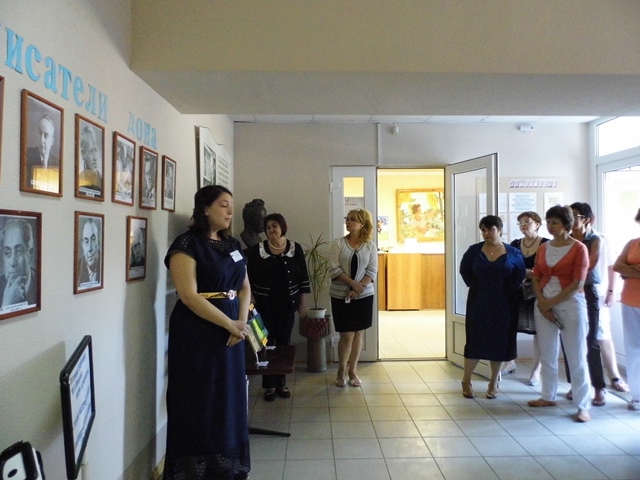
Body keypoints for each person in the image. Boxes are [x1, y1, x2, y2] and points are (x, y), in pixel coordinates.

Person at [163, 185, 251, 479]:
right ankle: (195, 469)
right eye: (224, 205)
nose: (230, 211)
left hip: (233, 330)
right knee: (200, 399)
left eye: (231, 204)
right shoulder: (186, 244)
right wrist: (229, 324)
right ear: (204, 209)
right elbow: (188, 295)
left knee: (228, 397)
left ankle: (225, 465)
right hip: (198, 332)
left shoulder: (232, 245)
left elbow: (245, 288)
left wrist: (241, 322)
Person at [527, 205, 591, 423]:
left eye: (555, 222)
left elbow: (578, 282)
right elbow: (536, 275)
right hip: (544, 304)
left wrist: (550, 304)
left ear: (566, 224)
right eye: (548, 222)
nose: (550, 226)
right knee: (547, 353)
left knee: (576, 356)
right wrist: (542, 303)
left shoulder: (579, 248)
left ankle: (582, 405)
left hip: (571, 305)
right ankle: (548, 395)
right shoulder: (544, 247)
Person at [459, 215, 526, 399]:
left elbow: (519, 274)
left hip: (504, 303)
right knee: (475, 341)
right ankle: (466, 380)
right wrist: (478, 286)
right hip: (479, 301)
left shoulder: (513, 253)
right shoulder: (474, 251)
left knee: (499, 343)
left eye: (490, 229)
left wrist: (506, 289)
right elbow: (465, 270)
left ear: (500, 230)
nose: (486, 233)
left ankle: (493, 381)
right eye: (483, 230)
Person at [246, 213, 310, 401]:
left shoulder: (295, 248)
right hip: (263, 306)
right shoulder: (257, 250)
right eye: (268, 228)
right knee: (265, 345)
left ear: (282, 227)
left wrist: (302, 304)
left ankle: (282, 383)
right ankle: (269, 385)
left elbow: (303, 278)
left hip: (287, 306)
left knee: (283, 345)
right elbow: (247, 275)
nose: (271, 230)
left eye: (274, 226)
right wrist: (249, 297)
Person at [329, 208, 378, 388]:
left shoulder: (370, 246)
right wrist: (353, 285)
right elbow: (334, 269)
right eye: (347, 219)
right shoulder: (338, 243)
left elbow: (372, 271)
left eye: (353, 220)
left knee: (358, 333)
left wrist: (359, 288)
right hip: (340, 295)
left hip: (364, 296)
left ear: (363, 224)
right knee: (346, 335)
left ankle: (353, 371)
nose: (348, 222)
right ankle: (341, 371)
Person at [507, 211, 548, 385]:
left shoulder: (546, 244)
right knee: (510, 327)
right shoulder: (515, 244)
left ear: (537, 224)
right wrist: (522, 272)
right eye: (520, 222)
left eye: (527, 221)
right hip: (517, 292)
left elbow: (549, 268)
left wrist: (534, 273)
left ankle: (536, 370)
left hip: (539, 292)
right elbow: (508, 265)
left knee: (539, 331)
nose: (523, 224)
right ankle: (509, 362)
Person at [613, 207, 640, 411]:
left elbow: (624, 268)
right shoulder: (632, 243)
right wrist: (634, 270)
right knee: (633, 348)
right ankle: (637, 395)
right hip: (629, 301)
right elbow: (617, 266)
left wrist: (629, 271)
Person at [0, 219, 37, 310]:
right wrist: (6, 305)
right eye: (7, 253)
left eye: (19, 251)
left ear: (30, 253)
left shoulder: (42, 281)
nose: (13, 262)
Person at [26, 114, 59, 189]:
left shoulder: (57, 163)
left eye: (46, 135)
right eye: (40, 133)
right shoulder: (27, 156)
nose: (41, 139)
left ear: (52, 141)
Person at [78, 125, 103, 195]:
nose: (95, 158)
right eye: (91, 152)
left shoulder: (102, 180)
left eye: (95, 151)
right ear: (83, 154)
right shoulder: (78, 180)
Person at [78, 218, 101, 286]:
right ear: (82, 245)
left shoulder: (106, 264)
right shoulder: (77, 268)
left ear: (98, 244)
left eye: (93, 240)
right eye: (86, 241)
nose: (90, 248)